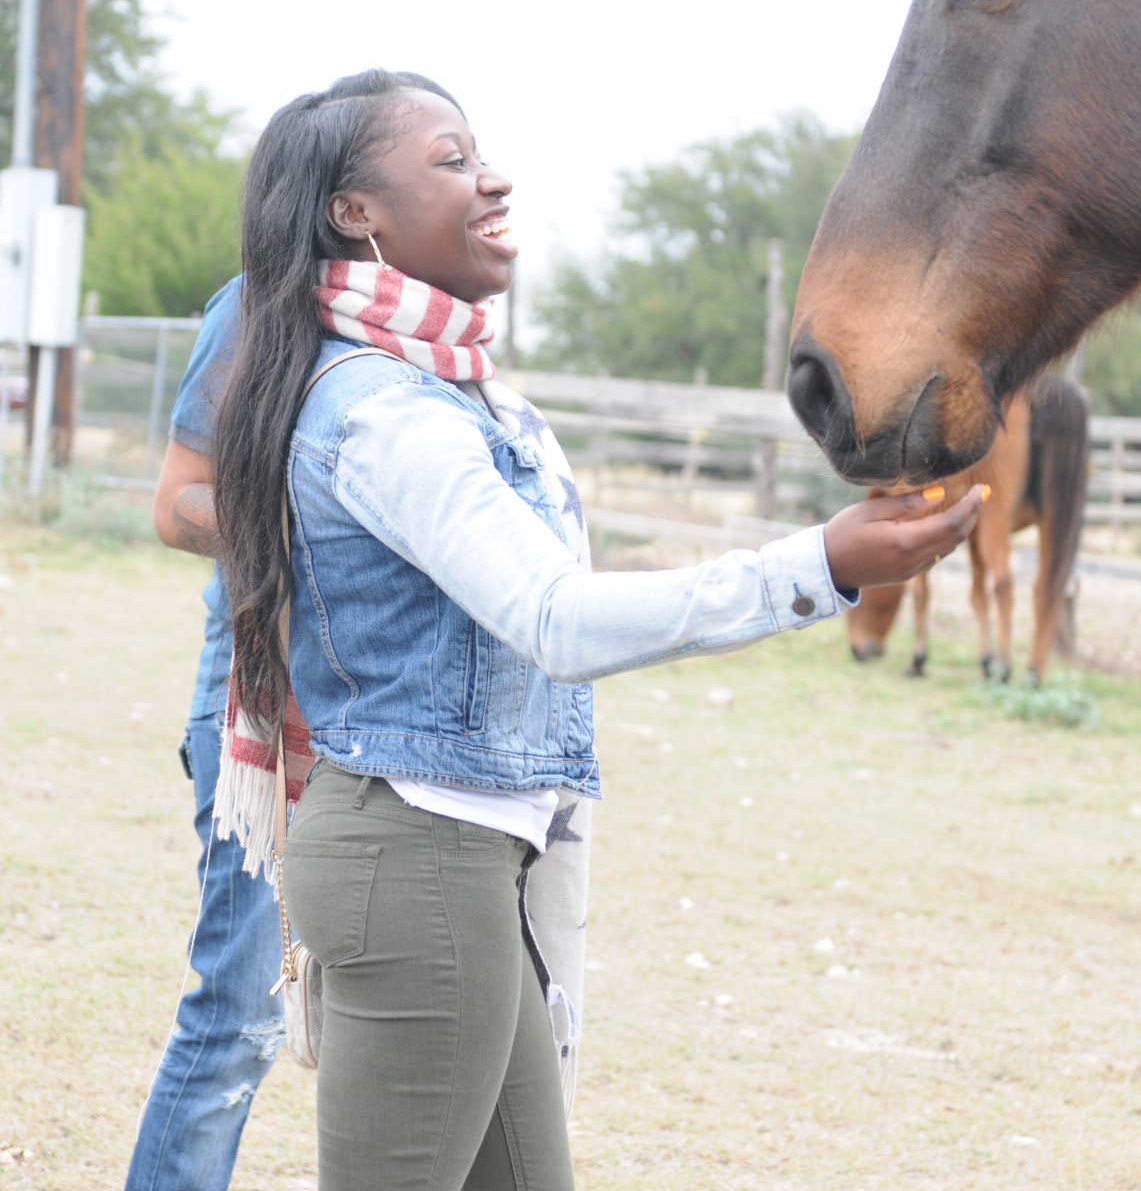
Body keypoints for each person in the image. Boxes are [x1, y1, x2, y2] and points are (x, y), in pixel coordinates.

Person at [211, 68, 983, 1191]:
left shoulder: (453, 390)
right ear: (353, 212)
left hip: (457, 856)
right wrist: (814, 565)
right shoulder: (382, 412)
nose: (493, 177)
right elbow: (556, 619)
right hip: (418, 856)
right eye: (451, 159)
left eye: (479, 153)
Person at [126, 274, 283, 1191]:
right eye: (448, 160)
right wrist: (324, 526)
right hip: (262, 697)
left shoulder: (446, 330)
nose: (488, 182)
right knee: (242, 1012)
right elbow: (177, 502)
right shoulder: (264, 301)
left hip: (392, 711)